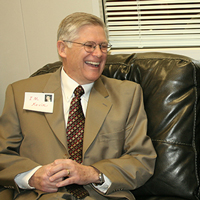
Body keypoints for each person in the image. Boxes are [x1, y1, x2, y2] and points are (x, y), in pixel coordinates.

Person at [0, 12, 157, 200]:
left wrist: (91, 173)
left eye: (103, 46)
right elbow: (3, 154)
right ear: (62, 48)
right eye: (89, 46)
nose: (98, 54)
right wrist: (32, 176)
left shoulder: (127, 95)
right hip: (39, 195)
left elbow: (142, 160)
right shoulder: (20, 93)